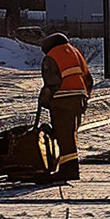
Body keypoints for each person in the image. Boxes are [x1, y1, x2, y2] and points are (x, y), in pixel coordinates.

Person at [39, 32, 93, 181]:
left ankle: (68, 170)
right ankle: (68, 166)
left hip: (62, 98)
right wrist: (85, 97)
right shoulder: (75, 52)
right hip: (78, 98)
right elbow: (88, 78)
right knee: (70, 134)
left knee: (63, 135)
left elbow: (51, 82)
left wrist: (45, 100)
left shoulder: (52, 56)